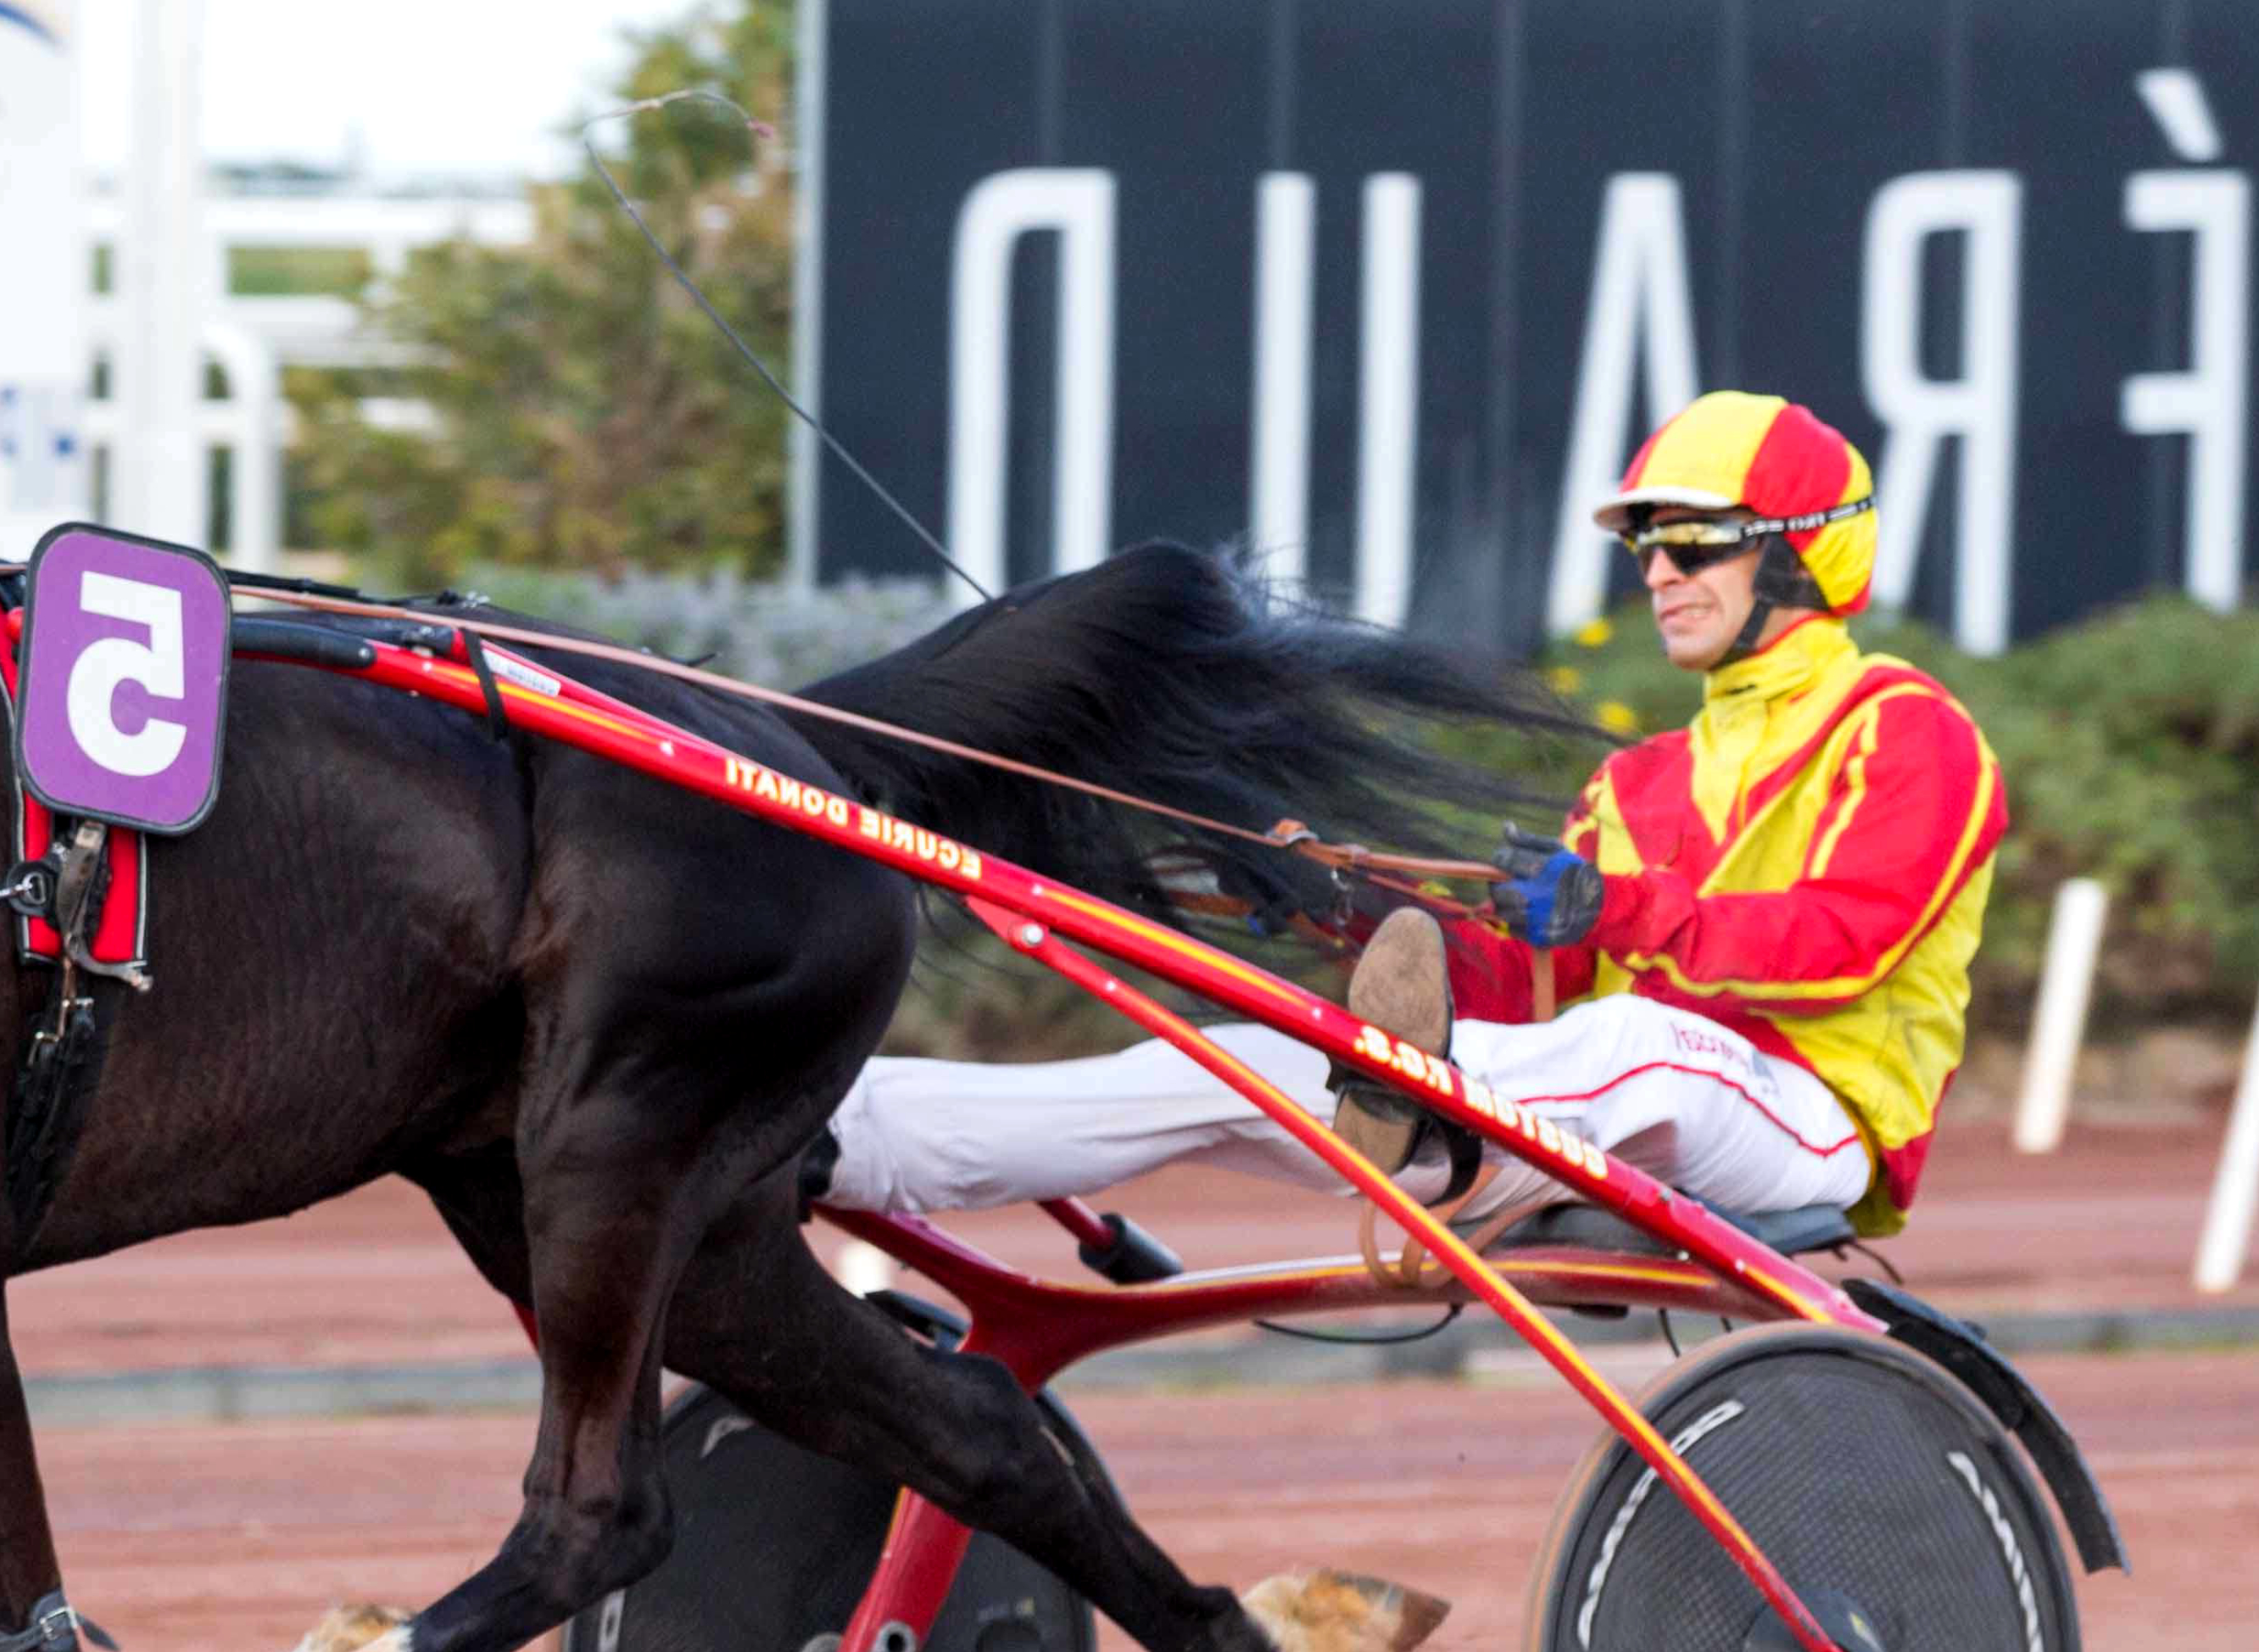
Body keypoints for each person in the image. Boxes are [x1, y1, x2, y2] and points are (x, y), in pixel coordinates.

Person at [822, 391, 2007, 1238]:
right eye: (1647, 543)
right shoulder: (1635, 782)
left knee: (1639, 1042)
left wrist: (1621, 909)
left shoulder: (1905, 730)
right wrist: (1344, 910)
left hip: (1812, 1119)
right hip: (1586, 1101)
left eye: (1692, 539)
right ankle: (840, 1137)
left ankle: (1446, 1125)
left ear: (1799, 556)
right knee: (1242, 1059)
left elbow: (1843, 947)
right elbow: (1520, 998)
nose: (1656, 570)